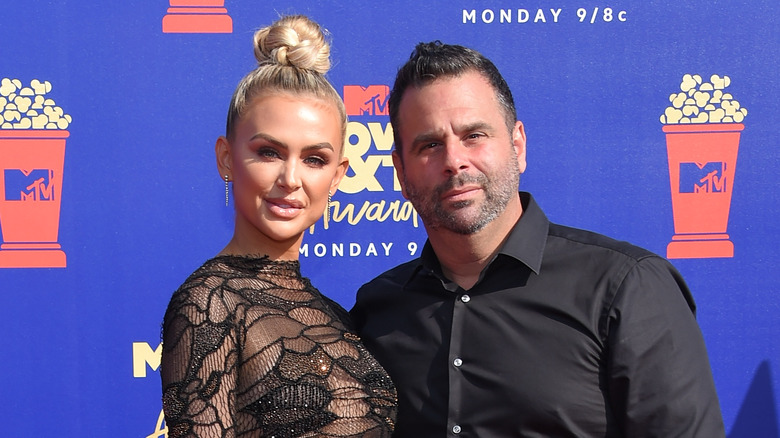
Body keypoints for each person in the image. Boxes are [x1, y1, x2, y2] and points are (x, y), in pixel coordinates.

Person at [350, 41, 725, 437]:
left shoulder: (625, 288)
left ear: (517, 145)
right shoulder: (378, 310)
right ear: (401, 171)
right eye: (429, 145)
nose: (454, 160)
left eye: (474, 135)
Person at [160, 15, 397, 438]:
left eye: (314, 159)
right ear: (227, 158)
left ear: (339, 174)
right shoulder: (208, 304)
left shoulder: (336, 314)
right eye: (269, 152)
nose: (291, 179)